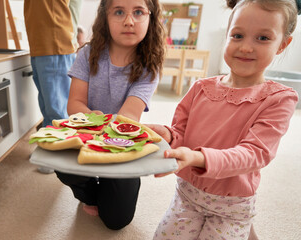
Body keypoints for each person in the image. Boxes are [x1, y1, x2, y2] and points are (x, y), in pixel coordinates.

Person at [148, 0, 299, 239]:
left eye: (262, 38)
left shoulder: (279, 99)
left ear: (283, 44)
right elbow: (180, 134)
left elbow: (255, 153)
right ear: (226, 35)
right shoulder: (200, 88)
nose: (246, 48)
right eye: (237, 36)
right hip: (187, 196)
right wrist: (167, 135)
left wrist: (198, 157)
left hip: (232, 207)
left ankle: (246, 229)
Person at [54, 0, 165, 230]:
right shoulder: (87, 54)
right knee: (61, 163)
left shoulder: (149, 66)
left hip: (120, 145)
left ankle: (105, 183)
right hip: (87, 135)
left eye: (138, 12)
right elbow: (74, 104)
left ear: (150, 18)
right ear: (105, 17)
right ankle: (90, 193)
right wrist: (90, 119)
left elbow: (127, 118)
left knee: (116, 221)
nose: (128, 21)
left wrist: (97, 120)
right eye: (119, 12)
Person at [24, 0, 81, 174]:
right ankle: (50, 146)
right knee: (48, 105)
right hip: (41, 45)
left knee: (56, 107)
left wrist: (72, 37)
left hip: (55, 44)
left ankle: (57, 153)